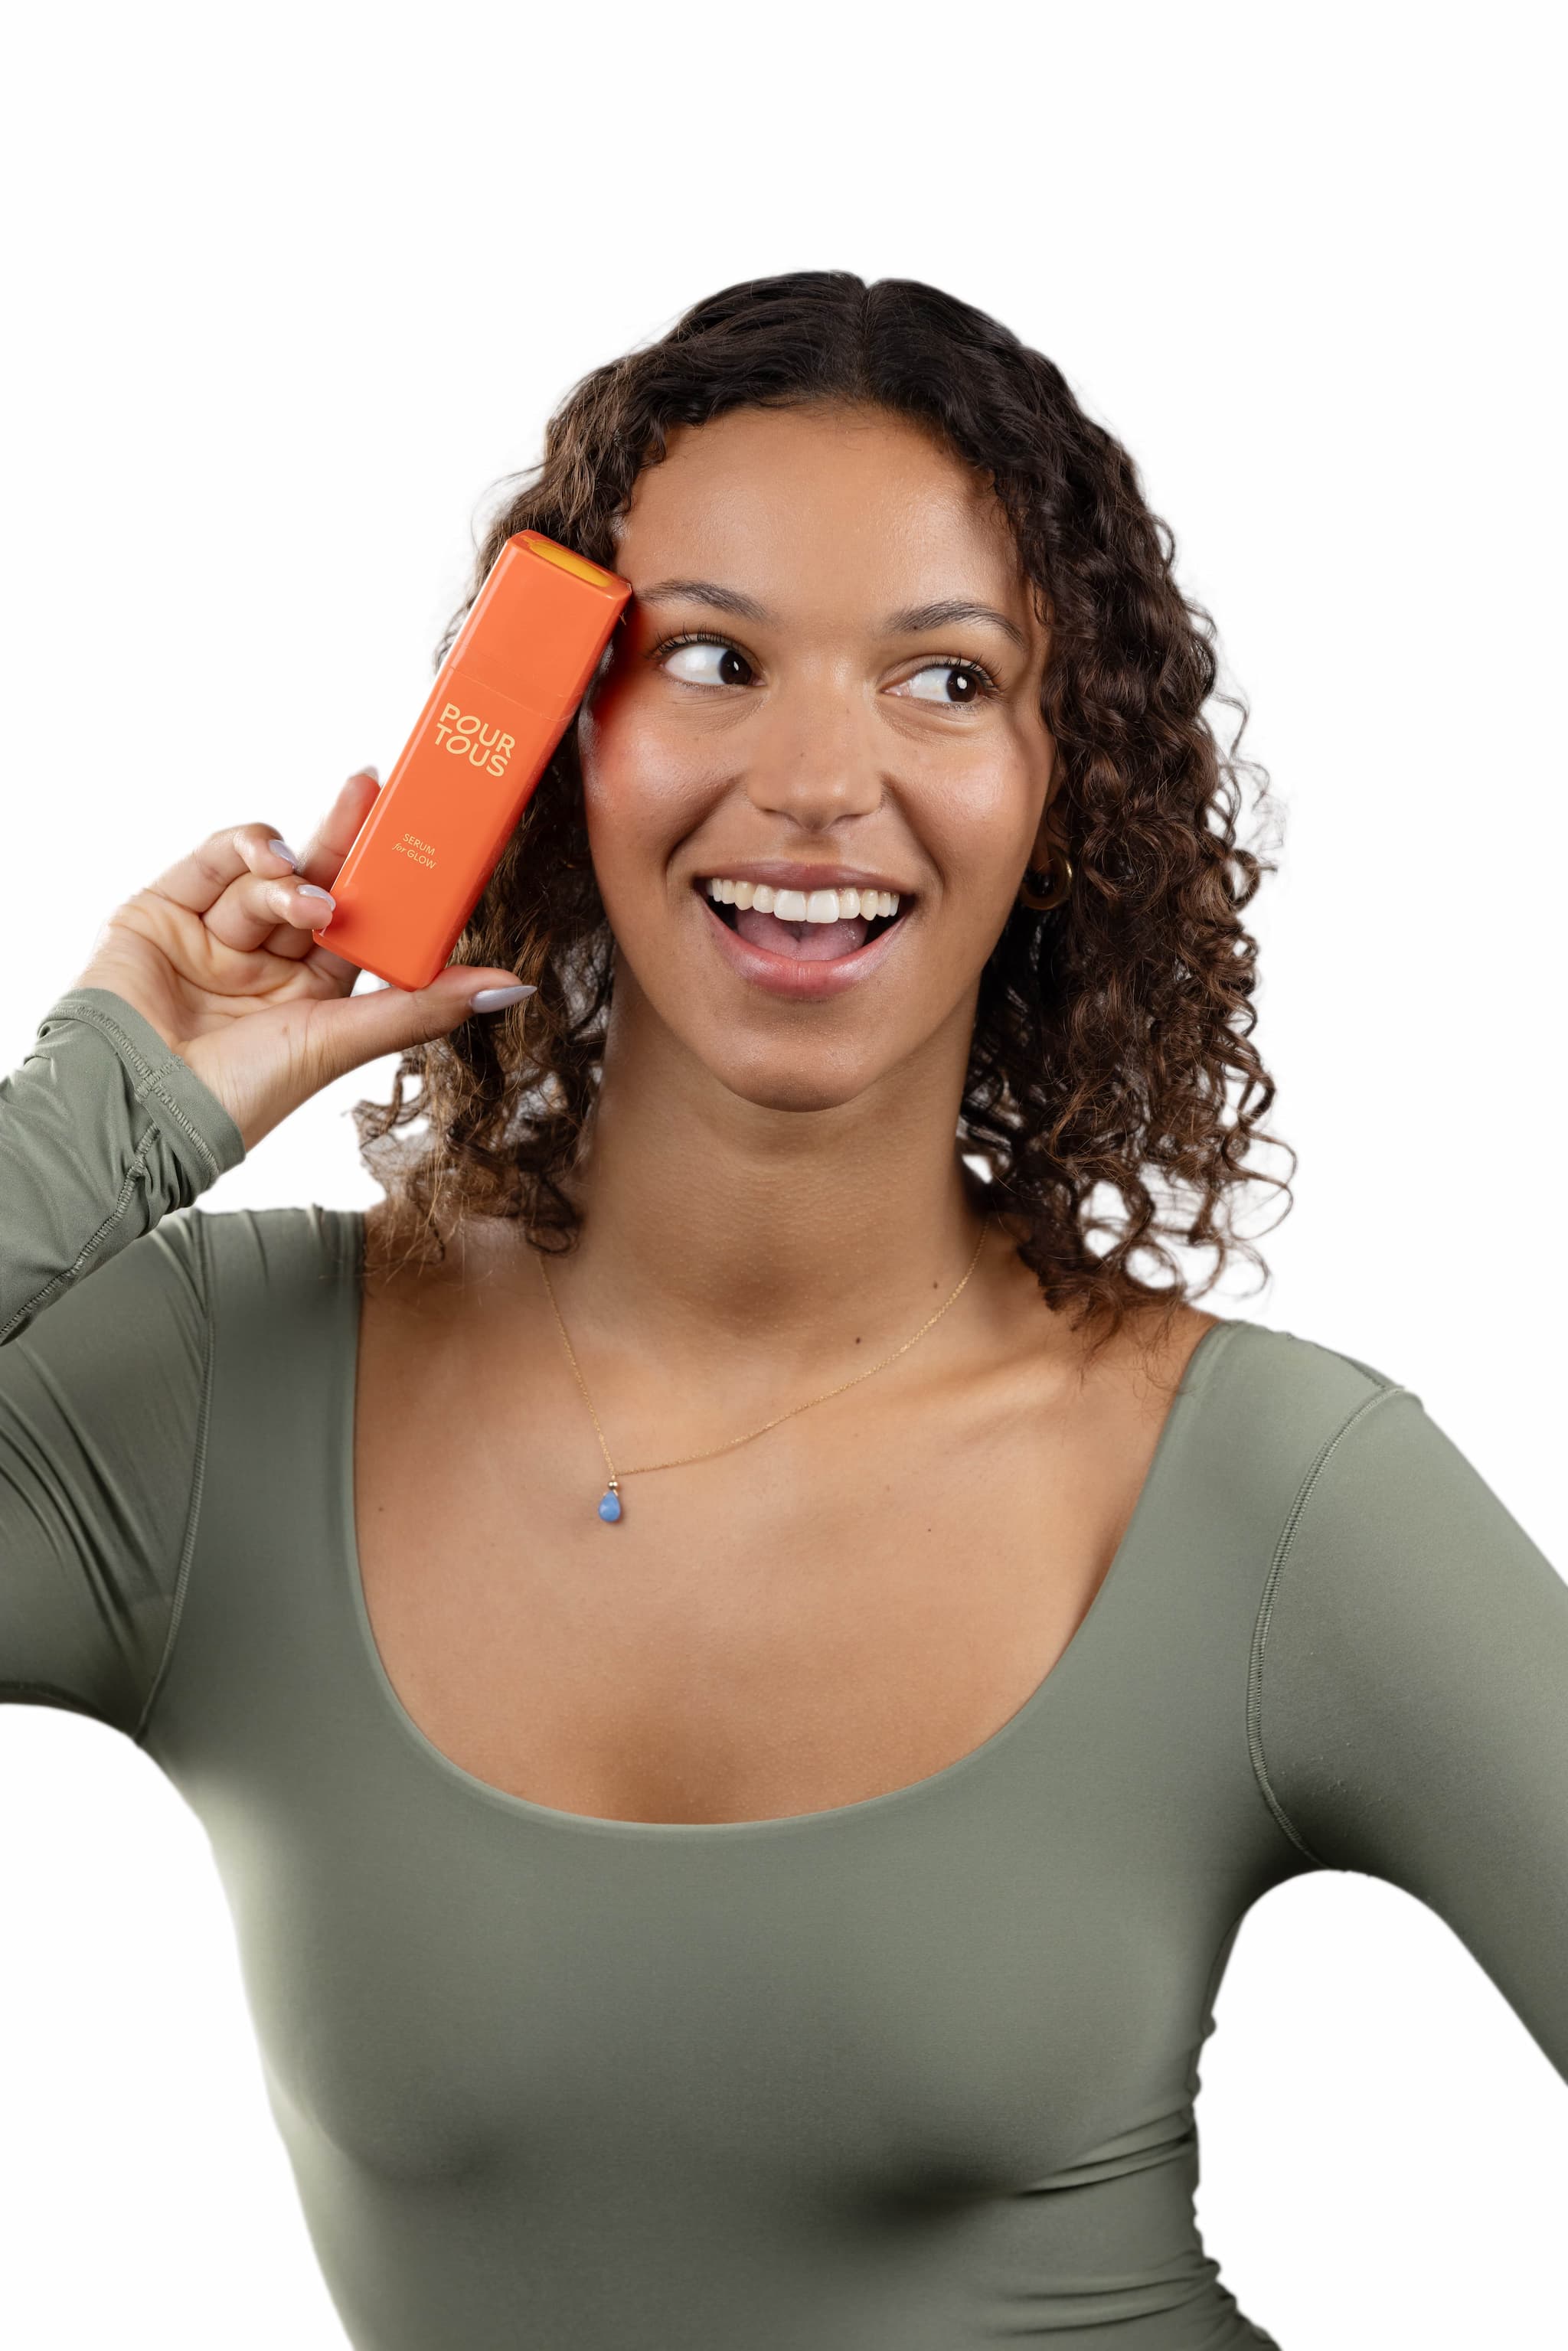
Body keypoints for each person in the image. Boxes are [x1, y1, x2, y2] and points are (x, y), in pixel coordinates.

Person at [2, 271, 1563, 2350]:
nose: (823, 779)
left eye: (944, 681)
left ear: (1060, 786)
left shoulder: (1280, 1498)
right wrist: (106, 1106)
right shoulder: (218, 1405)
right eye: (714, 660)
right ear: (552, 737)